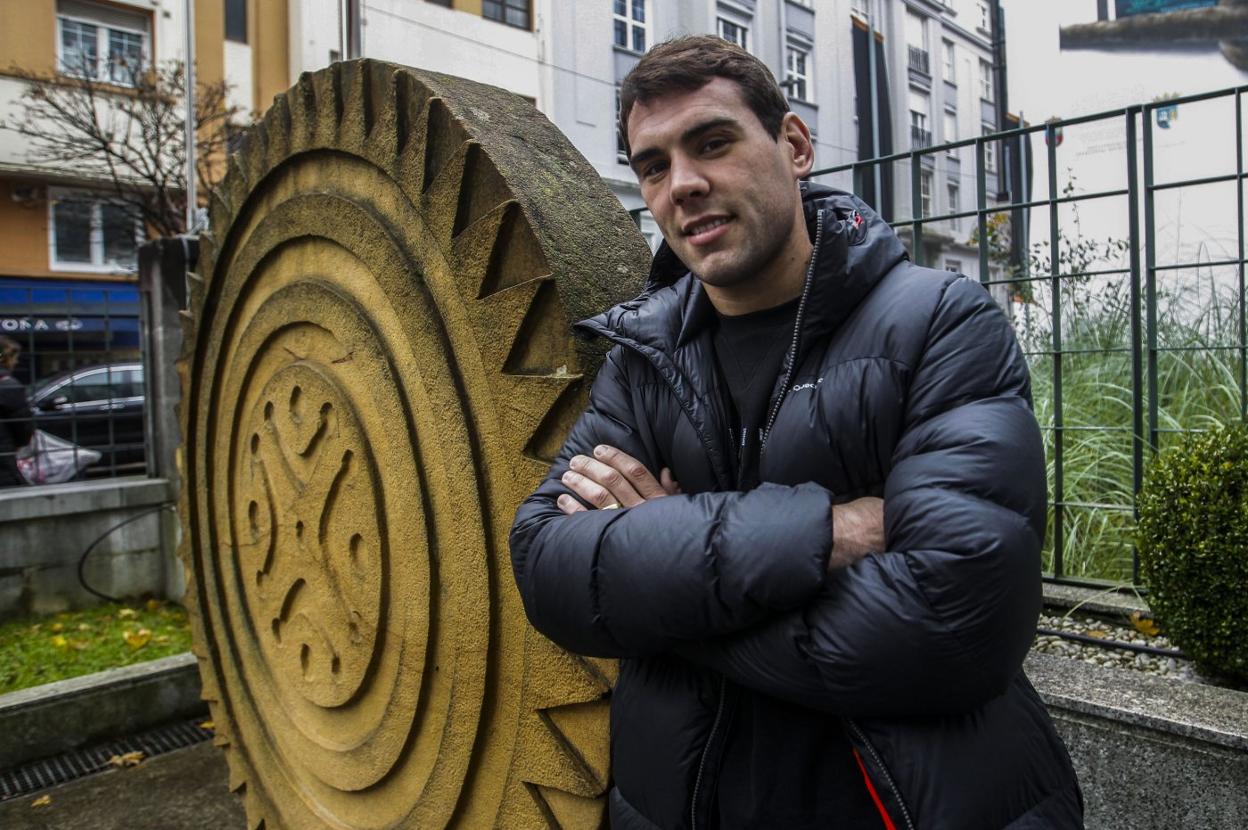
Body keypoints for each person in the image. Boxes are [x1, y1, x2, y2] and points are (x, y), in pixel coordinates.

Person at [510, 35, 1082, 829]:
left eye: (713, 143)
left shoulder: (939, 324)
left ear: (795, 144)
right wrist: (824, 531)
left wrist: (659, 586)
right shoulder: (644, 358)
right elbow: (546, 566)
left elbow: (956, 622)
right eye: (653, 165)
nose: (684, 184)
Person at [0, 335, 33, 487]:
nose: (16, 362)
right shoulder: (8, 386)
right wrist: (21, 442)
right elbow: (23, 426)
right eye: (14, 357)